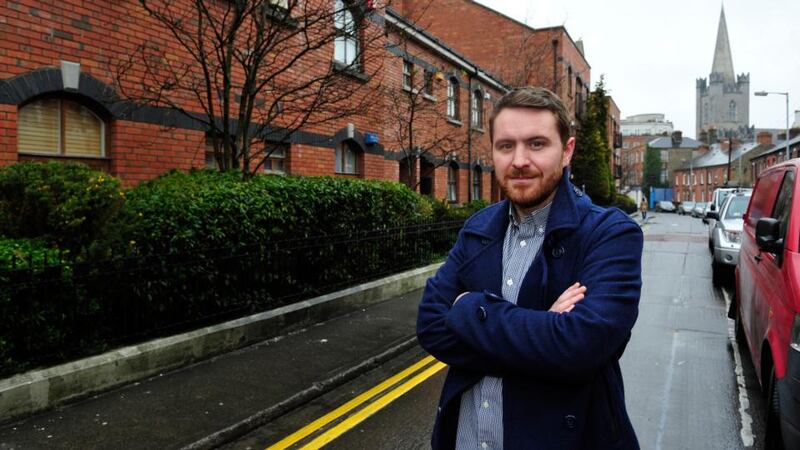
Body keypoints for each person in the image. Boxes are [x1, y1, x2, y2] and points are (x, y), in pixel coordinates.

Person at [417, 87, 643, 450]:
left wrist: (467, 310)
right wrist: (543, 326)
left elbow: (581, 347)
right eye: (506, 146)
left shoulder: (610, 234)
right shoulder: (479, 228)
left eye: (536, 144)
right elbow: (429, 324)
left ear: (567, 150)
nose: (519, 160)